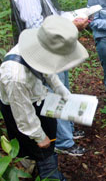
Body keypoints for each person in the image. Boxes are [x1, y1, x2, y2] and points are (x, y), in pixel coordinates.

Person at [0, 15, 89, 180]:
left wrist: (61, 90)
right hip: (21, 112)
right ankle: (50, 175)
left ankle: (44, 167)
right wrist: (39, 136)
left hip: (39, 100)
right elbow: (23, 114)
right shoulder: (15, 76)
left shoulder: (37, 49)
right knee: (40, 150)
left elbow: (48, 69)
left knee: (49, 141)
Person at [11, 0, 88, 156]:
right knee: (54, 93)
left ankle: (67, 129)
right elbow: (36, 27)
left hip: (55, 50)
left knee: (63, 88)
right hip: (45, 54)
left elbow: (51, 16)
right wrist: (70, 27)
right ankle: (63, 140)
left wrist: (70, 19)